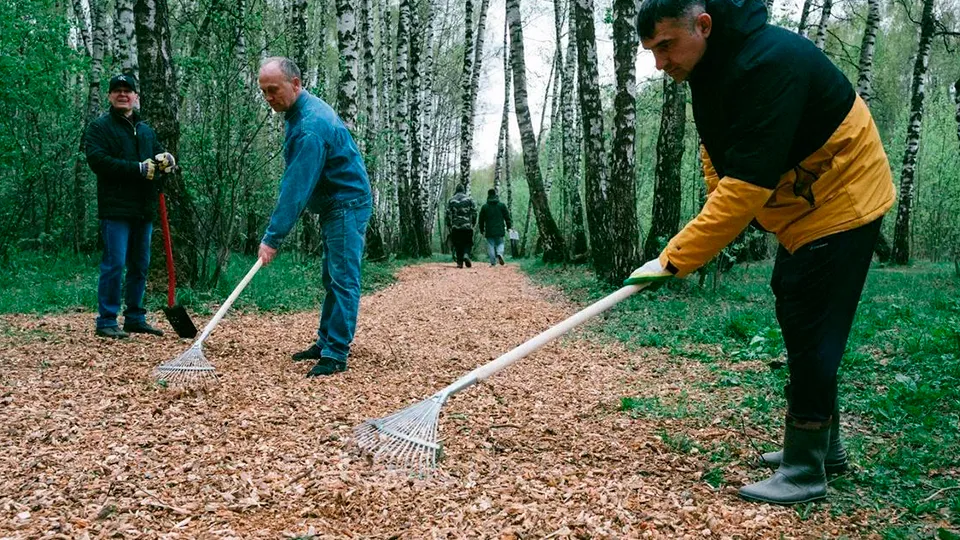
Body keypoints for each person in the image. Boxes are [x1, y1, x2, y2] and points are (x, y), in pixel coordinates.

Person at [628, 0, 895, 505]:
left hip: (845, 194)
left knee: (812, 321)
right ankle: (824, 449)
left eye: (665, 46)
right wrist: (702, 234)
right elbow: (719, 159)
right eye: (652, 53)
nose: (660, 64)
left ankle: (804, 469)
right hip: (803, 208)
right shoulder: (707, 70)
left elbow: (746, 186)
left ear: (702, 25)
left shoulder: (768, 63)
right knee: (795, 308)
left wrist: (675, 257)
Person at [256, 57, 372, 378]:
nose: (269, 98)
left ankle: (335, 353)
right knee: (331, 276)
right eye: (263, 91)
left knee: (344, 278)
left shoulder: (309, 127)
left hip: (346, 203)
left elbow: (295, 188)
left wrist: (272, 238)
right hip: (335, 202)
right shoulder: (296, 111)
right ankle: (325, 341)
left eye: (273, 90)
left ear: (295, 84)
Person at [85, 73, 176, 339]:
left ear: (136, 96)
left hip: (143, 208)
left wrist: (167, 160)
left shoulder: (145, 130)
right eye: (117, 91)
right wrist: (137, 169)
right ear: (110, 96)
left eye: (128, 90)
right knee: (114, 264)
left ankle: (135, 316)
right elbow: (98, 161)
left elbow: (159, 157)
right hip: (115, 209)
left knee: (140, 265)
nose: (123, 94)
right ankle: (106, 320)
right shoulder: (99, 128)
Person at [477, 188, 512, 266]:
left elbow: (481, 220)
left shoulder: (485, 207)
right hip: (499, 229)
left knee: (491, 245)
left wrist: (481, 229)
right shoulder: (502, 206)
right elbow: (507, 217)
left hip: (489, 230)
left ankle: (493, 262)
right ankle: (500, 253)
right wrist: (509, 226)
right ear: (496, 195)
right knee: (500, 243)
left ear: (488, 195)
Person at [445, 184, 477, 268]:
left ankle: (459, 262)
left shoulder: (451, 200)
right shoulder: (469, 199)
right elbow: (474, 212)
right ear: (463, 190)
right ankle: (466, 254)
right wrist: (473, 222)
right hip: (467, 226)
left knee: (457, 243)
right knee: (468, 242)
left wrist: (449, 224)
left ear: (456, 190)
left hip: (456, 226)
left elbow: (448, 213)